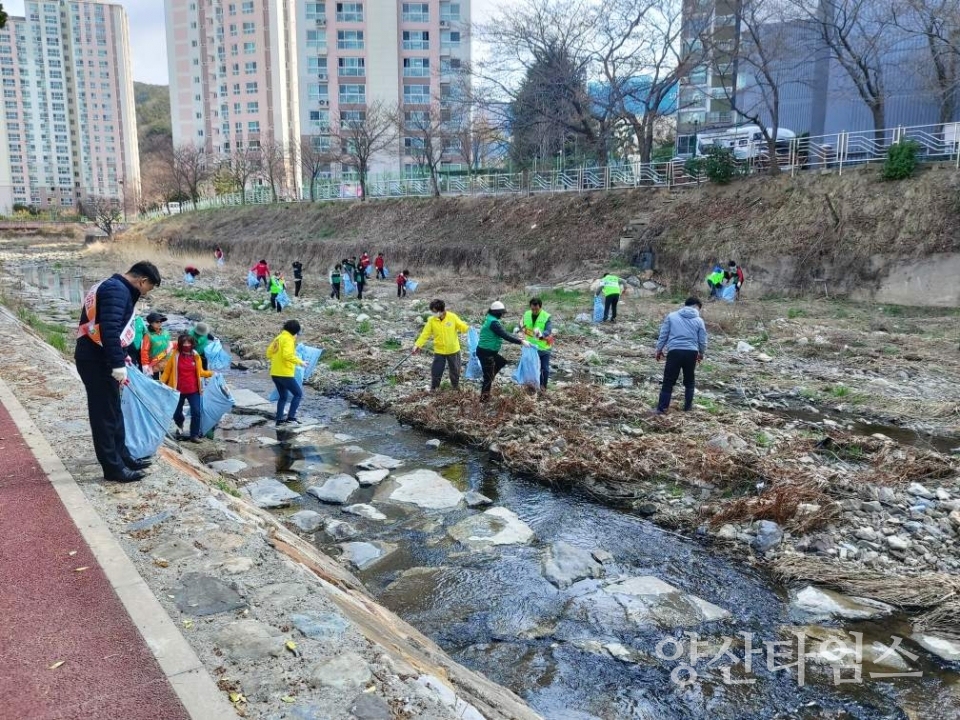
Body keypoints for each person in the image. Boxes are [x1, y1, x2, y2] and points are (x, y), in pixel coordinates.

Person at [75, 261, 161, 482]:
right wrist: (117, 364)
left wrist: (123, 358)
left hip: (102, 358)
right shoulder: (117, 290)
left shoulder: (115, 287)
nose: (144, 294)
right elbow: (110, 330)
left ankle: (123, 457)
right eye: (147, 289)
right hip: (96, 361)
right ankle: (112, 468)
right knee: (104, 415)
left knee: (114, 411)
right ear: (142, 281)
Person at [654, 297, 708, 414]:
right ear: (696, 306)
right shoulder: (699, 320)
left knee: (668, 381)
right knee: (689, 380)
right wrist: (701, 353)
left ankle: (662, 409)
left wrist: (659, 350)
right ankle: (688, 408)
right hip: (691, 353)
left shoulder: (672, 316)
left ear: (685, 305)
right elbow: (702, 340)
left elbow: (664, 334)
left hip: (674, 351)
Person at [161, 333, 214, 443]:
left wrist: (212, 374)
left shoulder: (195, 356)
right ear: (180, 344)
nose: (186, 345)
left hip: (193, 389)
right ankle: (180, 423)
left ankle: (194, 435)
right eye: (184, 343)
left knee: (196, 411)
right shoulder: (175, 356)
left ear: (192, 344)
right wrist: (161, 383)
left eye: (188, 343)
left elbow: (201, 372)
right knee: (176, 413)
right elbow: (167, 372)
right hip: (177, 389)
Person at [476, 301, 530, 401]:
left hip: (488, 351)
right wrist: (521, 342)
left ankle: (489, 377)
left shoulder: (491, 319)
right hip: (486, 352)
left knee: (501, 362)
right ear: (498, 313)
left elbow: (503, 332)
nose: (502, 315)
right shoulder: (493, 323)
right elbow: (505, 336)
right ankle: (484, 400)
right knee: (488, 377)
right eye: (501, 313)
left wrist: (515, 334)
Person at [413, 299, 469, 391]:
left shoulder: (452, 317)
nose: (433, 313)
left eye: (434, 311)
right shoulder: (432, 320)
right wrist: (417, 345)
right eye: (432, 311)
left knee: (455, 371)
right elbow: (425, 334)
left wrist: (469, 329)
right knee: (436, 370)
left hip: (453, 350)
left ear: (441, 310)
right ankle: (434, 388)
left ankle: (455, 388)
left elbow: (462, 326)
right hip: (439, 351)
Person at [266, 319, 307, 427]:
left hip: (275, 373)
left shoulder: (278, 338)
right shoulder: (288, 339)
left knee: (283, 396)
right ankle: (291, 418)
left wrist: (277, 359)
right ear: (295, 331)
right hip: (285, 374)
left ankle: (279, 420)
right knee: (298, 394)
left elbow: (269, 353)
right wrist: (300, 362)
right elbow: (287, 356)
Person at [522, 297, 554, 392]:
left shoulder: (546, 316)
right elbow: (522, 325)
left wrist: (542, 334)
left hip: (544, 347)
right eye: (532, 309)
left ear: (540, 307)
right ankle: (538, 385)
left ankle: (544, 386)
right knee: (536, 368)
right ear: (530, 307)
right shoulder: (527, 314)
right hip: (532, 347)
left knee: (545, 368)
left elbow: (548, 330)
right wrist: (518, 329)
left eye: (536, 309)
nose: (534, 311)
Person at [140, 311, 172, 379]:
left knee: (167, 380)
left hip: (167, 361)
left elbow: (169, 345)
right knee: (156, 381)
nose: (160, 323)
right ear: (151, 323)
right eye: (157, 322)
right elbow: (144, 351)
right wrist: (145, 364)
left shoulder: (165, 332)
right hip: (155, 362)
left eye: (161, 321)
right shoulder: (148, 336)